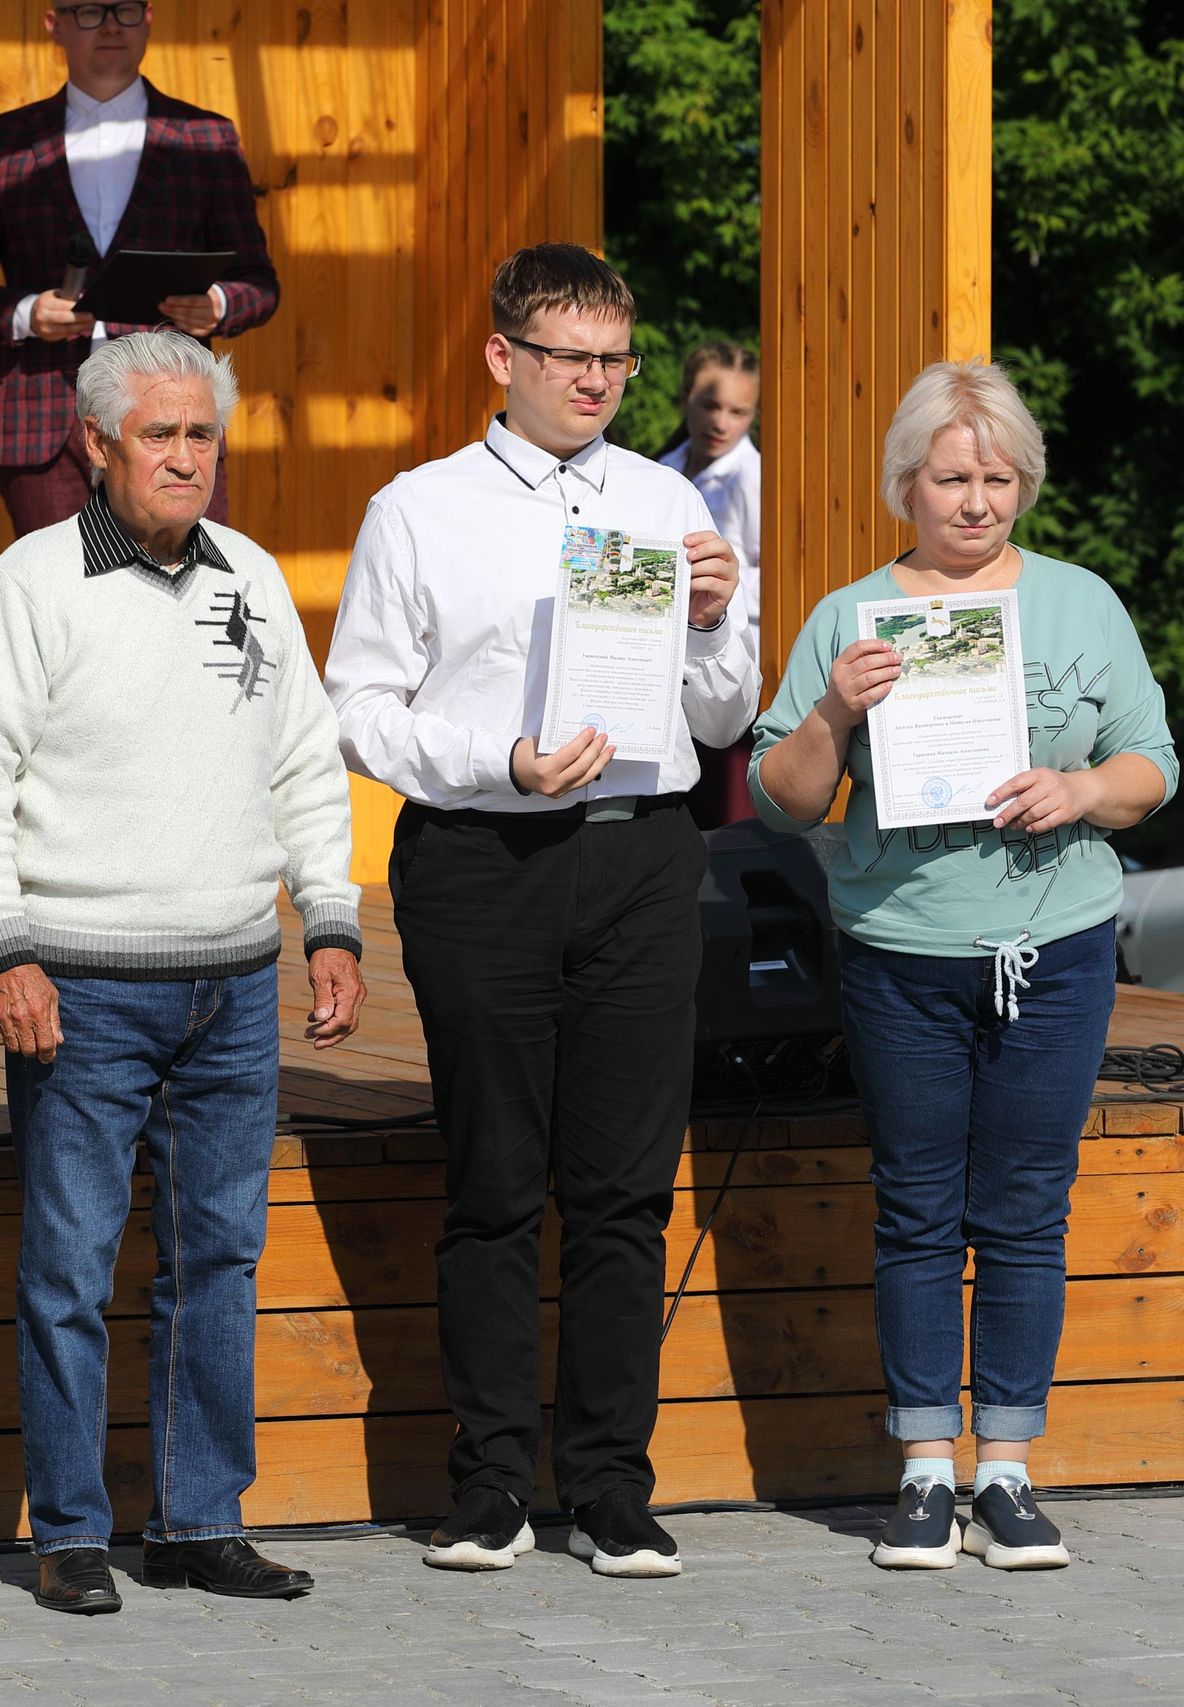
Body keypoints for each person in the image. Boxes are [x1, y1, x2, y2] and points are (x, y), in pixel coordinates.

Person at [324, 244, 756, 1580]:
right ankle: (492, 1480)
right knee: (497, 1183)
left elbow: (725, 714)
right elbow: (359, 706)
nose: (599, 384)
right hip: (482, 862)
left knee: (628, 1191)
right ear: (504, 357)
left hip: (642, 858)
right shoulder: (420, 508)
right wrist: (490, 762)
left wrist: (711, 623)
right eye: (572, 358)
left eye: (617, 361)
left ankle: (614, 1486)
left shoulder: (669, 499)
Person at [0, 331, 364, 1616]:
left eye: (203, 436)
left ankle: (193, 1524)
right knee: (68, 1266)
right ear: (96, 446)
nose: (187, 458)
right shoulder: (32, 583)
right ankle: (68, 1531)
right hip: (80, 981)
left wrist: (330, 919)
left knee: (218, 1260)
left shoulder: (257, 578)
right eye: (161, 436)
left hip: (233, 983)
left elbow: (304, 761)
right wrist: (3, 951)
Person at [748, 360, 1177, 1572]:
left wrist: (1084, 786)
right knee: (919, 1211)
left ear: (1022, 484)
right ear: (906, 486)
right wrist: (832, 712)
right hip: (902, 957)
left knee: (1028, 1215)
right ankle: (924, 1471)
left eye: (996, 477)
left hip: (1057, 952)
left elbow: (1154, 762)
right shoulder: (849, 617)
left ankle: (1008, 1472)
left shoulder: (1085, 603)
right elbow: (779, 800)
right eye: (951, 478)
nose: (975, 501)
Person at [0, 1, 278, 540]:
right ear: (55, 24)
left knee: (187, 602)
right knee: (57, 606)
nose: (112, 24)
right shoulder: (6, 140)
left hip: (173, 412)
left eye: (127, 9)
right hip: (42, 418)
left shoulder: (206, 137)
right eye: (90, 10)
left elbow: (258, 281)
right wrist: (23, 313)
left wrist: (217, 304)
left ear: (150, 17)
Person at [657, 341, 763, 826]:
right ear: (685, 400)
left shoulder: (753, 478)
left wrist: (721, 588)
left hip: (728, 660)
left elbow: (777, 574)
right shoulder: (662, 468)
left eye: (738, 411)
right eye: (710, 405)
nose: (721, 422)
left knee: (723, 822)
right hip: (664, 664)